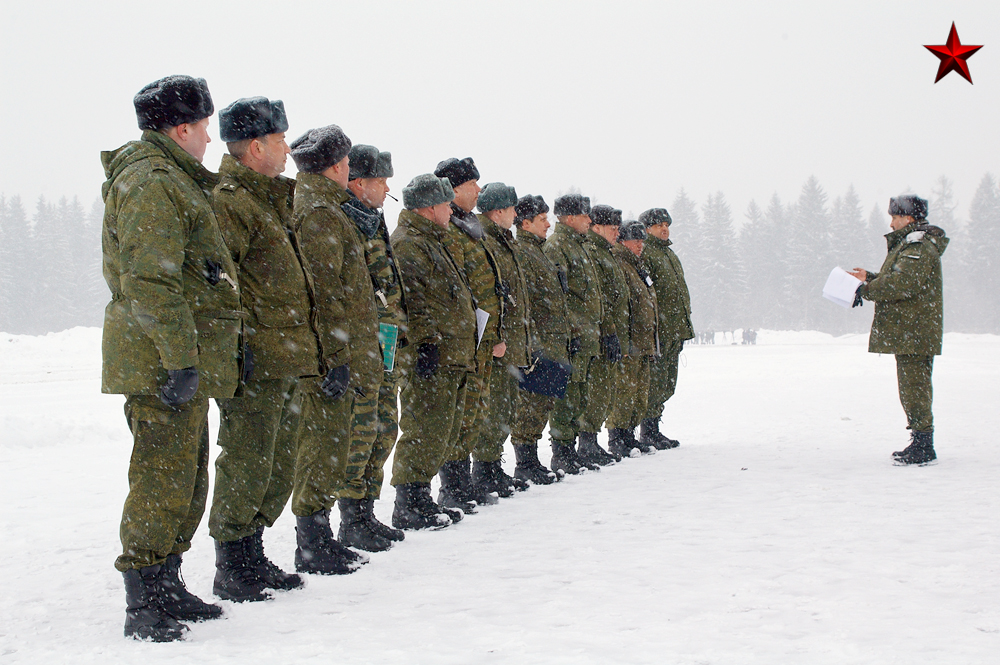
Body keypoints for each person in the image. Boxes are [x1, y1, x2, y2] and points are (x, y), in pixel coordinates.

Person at [102, 75, 236, 641]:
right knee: (161, 478)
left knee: (185, 476)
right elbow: (152, 281)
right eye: (203, 128)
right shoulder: (153, 182)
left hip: (180, 356)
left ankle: (167, 582)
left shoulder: (175, 181)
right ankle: (143, 599)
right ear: (181, 128)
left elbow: (196, 276)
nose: (208, 139)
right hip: (160, 360)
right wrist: (180, 359)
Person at [209, 96, 314, 601]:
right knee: (248, 458)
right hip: (256, 358)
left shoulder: (273, 198)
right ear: (255, 146)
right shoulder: (232, 201)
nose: (287, 149)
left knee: (277, 460)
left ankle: (252, 552)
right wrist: (240, 344)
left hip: (286, 356)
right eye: (279, 140)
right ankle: (231, 563)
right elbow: (219, 281)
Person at [288, 125, 379, 574]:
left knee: (334, 445)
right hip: (332, 356)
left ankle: (320, 538)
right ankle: (312, 542)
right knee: (322, 447)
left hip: (343, 351)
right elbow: (326, 293)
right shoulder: (320, 213)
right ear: (339, 166)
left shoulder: (328, 208)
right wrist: (337, 358)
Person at [389, 174, 477, 528]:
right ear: (428, 208)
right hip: (432, 355)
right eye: (443, 203)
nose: (448, 209)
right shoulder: (410, 243)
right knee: (423, 428)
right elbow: (415, 299)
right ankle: (408, 503)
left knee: (439, 429)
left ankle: (420, 498)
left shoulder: (433, 240)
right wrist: (425, 344)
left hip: (451, 354)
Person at [338, 144, 408, 550]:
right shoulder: (348, 220)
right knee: (361, 431)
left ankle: (365, 510)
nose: (386, 189)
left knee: (383, 429)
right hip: (363, 344)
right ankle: (351, 518)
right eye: (380, 181)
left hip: (386, 342)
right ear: (358, 182)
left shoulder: (372, 221)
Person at [849, 194, 949, 466]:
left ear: (908, 218)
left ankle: (924, 446)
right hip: (911, 331)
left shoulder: (918, 245)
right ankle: (919, 441)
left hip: (914, 331)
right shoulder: (910, 244)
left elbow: (902, 283)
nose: (891, 223)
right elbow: (897, 279)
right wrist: (868, 278)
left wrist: (865, 290)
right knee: (911, 388)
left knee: (914, 388)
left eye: (894, 217)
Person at [435, 157, 505, 511]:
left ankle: (462, 482)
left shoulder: (471, 227)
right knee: (459, 414)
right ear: (453, 189)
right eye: (472, 184)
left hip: (482, 338)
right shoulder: (448, 229)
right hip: (464, 340)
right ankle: (451, 486)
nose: (478, 190)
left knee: (474, 412)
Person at [473, 183, 532, 496]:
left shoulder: (503, 240)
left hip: (510, 340)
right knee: (494, 409)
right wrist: (496, 335)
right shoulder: (486, 240)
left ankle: (492, 466)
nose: (515, 214)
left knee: (505, 407)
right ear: (497, 211)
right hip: (497, 343)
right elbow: (487, 294)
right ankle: (483, 469)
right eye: (511, 208)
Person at [542, 194, 604, 475]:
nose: (589, 220)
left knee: (579, 394)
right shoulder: (558, 246)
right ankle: (562, 452)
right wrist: (573, 330)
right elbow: (559, 296)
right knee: (566, 396)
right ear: (568, 218)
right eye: (584, 215)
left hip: (586, 336)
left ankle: (573, 448)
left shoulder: (580, 247)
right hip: (571, 337)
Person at [510, 194, 568, 485]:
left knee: (543, 403)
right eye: (542, 219)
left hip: (553, 342)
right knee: (530, 404)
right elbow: (526, 302)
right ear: (526, 222)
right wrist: (531, 342)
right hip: (538, 344)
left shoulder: (541, 252)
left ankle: (532, 460)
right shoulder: (523, 252)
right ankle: (525, 462)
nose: (548, 223)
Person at [637, 207, 694, 449]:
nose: (664, 228)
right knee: (655, 382)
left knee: (666, 383)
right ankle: (648, 431)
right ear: (647, 228)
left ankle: (654, 428)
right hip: (660, 332)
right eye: (658, 225)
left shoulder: (669, 254)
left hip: (674, 329)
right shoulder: (647, 252)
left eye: (666, 224)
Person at [582, 204, 634, 460]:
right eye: (612, 228)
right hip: (601, 337)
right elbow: (601, 299)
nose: (617, 233)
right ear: (597, 227)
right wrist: (609, 331)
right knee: (596, 393)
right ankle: (587, 442)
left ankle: (591, 441)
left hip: (611, 336)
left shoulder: (607, 253)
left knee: (605, 393)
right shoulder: (594, 253)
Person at [606, 221, 659, 450]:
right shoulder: (620, 264)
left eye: (641, 240)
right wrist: (624, 343)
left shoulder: (637, 266)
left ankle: (628, 434)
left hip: (642, 343)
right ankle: (617, 437)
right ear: (622, 241)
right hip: (630, 344)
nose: (640, 245)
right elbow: (621, 308)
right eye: (634, 240)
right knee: (624, 392)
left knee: (638, 393)